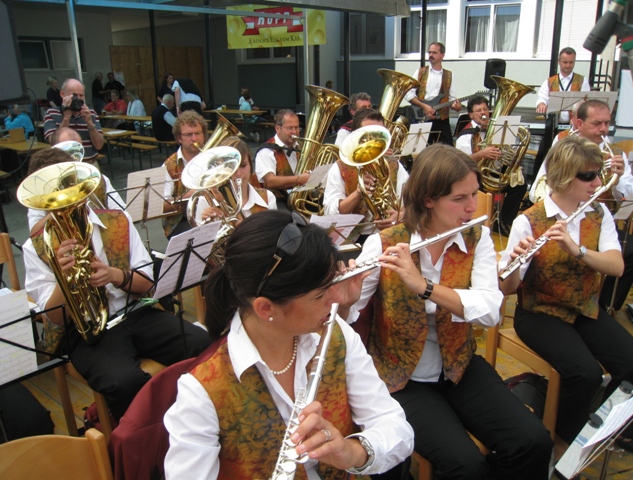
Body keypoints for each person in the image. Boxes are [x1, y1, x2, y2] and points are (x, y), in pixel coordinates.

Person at [346, 144, 552, 479]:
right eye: (460, 198)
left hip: (459, 365)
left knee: (533, 441)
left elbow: (491, 311)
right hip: (401, 377)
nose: (472, 206)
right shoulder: (384, 242)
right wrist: (347, 297)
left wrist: (425, 287)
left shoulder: (477, 238)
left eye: (474, 194)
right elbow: (347, 318)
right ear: (428, 199)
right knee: (464, 465)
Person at [163, 210, 414, 479]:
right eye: (321, 293)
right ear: (266, 308)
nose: (338, 298)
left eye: (333, 281)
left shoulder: (335, 332)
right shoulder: (202, 392)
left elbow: (395, 427)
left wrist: (352, 452)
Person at [23, 158, 212, 421]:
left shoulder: (118, 221)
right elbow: (54, 319)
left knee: (202, 343)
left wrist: (115, 275)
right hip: (87, 332)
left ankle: (200, 418)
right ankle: (143, 436)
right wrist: (65, 281)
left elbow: (149, 286)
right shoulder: (36, 246)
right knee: (125, 381)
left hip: (134, 312)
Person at [498, 135, 633, 460]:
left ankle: (603, 430)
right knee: (584, 373)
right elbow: (507, 289)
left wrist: (577, 250)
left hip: (584, 309)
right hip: (540, 313)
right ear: (563, 177)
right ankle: (563, 442)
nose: (598, 182)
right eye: (588, 176)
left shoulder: (598, 213)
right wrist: (513, 264)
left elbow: (617, 266)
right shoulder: (528, 221)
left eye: (598, 174)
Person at [529, 99, 633, 315]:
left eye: (607, 123)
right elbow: (541, 185)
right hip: (561, 219)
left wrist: (617, 179)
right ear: (579, 123)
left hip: (598, 222)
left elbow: (625, 198)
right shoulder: (563, 144)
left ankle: (604, 304)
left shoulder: (615, 154)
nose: (604, 129)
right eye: (597, 123)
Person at [324, 108, 407, 240]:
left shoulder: (394, 164)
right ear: (355, 137)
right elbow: (331, 213)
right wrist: (358, 193)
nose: (374, 141)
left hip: (390, 235)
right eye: (368, 135)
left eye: (379, 135)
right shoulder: (340, 167)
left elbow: (412, 202)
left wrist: (400, 214)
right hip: (355, 239)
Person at [455, 95, 527, 234]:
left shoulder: (498, 129)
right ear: (471, 115)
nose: (483, 113)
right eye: (478, 110)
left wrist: (510, 157)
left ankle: (504, 223)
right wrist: (482, 154)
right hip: (474, 176)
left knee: (519, 185)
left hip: (493, 171)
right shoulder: (465, 136)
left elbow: (507, 152)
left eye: (485, 109)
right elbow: (461, 162)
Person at [26, 135, 124, 234]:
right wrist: (57, 213)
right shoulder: (40, 194)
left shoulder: (96, 179)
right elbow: (34, 233)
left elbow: (121, 212)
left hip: (105, 233)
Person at [198, 136, 276, 223]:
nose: (238, 173)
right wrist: (206, 225)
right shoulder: (205, 201)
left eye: (243, 165)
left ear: (250, 165)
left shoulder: (268, 198)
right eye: (231, 167)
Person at [404, 42, 462, 146]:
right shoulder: (420, 72)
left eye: (434, 52)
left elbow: (452, 99)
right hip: (422, 117)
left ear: (442, 55)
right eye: (429, 52)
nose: (431, 55)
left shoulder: (449, 75)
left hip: (442, 119)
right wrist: (424, 106)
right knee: (420, 149)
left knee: (447, 150)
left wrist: (456, 107)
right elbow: (408, 94)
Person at [162, 111, 208, 238]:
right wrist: (188, 196)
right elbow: (162, 206)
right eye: (188, 134)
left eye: (198, 133)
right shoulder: (169, 166)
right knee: (200, 237)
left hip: (211, 211)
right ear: (179, 138)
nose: (194, 139)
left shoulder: (212, 158)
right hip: (180, 220)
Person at [254, 109, 308, 207]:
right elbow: (270, 181)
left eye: (297, 127)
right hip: (278, 201)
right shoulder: (266, 151)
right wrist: (299, 179)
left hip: (301, 196)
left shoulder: (302, 146)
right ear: (278, 129)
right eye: (290, 128)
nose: (294, 132)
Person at [43, 78, 104, 162]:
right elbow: (55, 145)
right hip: (65, 165)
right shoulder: (51, 113)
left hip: (89, 163)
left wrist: (89, 123)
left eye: (81, 95)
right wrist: (66, 118)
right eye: (74, 95)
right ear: (62, 94)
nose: (78, 99)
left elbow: (99, 146)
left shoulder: (91, 113)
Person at [536, 47, 590, 123]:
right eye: (565, 62)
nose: (568, 65)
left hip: (574, 124)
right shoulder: (548, 82)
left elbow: (585, 103)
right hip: (552, 123)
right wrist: (542, 104)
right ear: (559, 62)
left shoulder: (583, 81)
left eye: (571, 62)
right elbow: (542, 98)